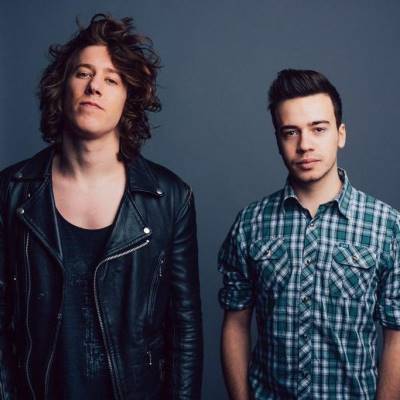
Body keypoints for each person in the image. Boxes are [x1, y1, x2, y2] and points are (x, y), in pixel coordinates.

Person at [0, 13, 202, 400]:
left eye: (112, 79)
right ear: (61, 88)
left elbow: (184, 328)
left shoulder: (170, 198)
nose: (94, 86)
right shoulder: (10, 191)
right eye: (83, 73)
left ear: (129, 99)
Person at [218, 69, 400, 399]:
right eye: (291, 132)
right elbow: (236, 324)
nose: (304, 145)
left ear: (340, 134)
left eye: (318, 129)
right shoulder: (250, 224)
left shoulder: (387, 226)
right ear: (278, 140)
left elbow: (397, 335)